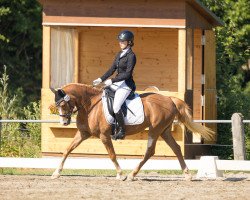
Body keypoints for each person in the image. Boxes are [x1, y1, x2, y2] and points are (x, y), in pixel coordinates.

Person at [93, 30, 137, 140]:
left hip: (126, 84)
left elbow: (127, 74)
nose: (120, 43)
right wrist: (101, 79)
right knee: (104, 94)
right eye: (120, 41)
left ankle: (122, 131)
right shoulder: (119, 54)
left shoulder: (131, 56)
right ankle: (111, 124)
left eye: (123, 41)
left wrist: (112, 81)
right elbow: (112, 69)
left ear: (129, 42)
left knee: (116, 106)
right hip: (117, 82)